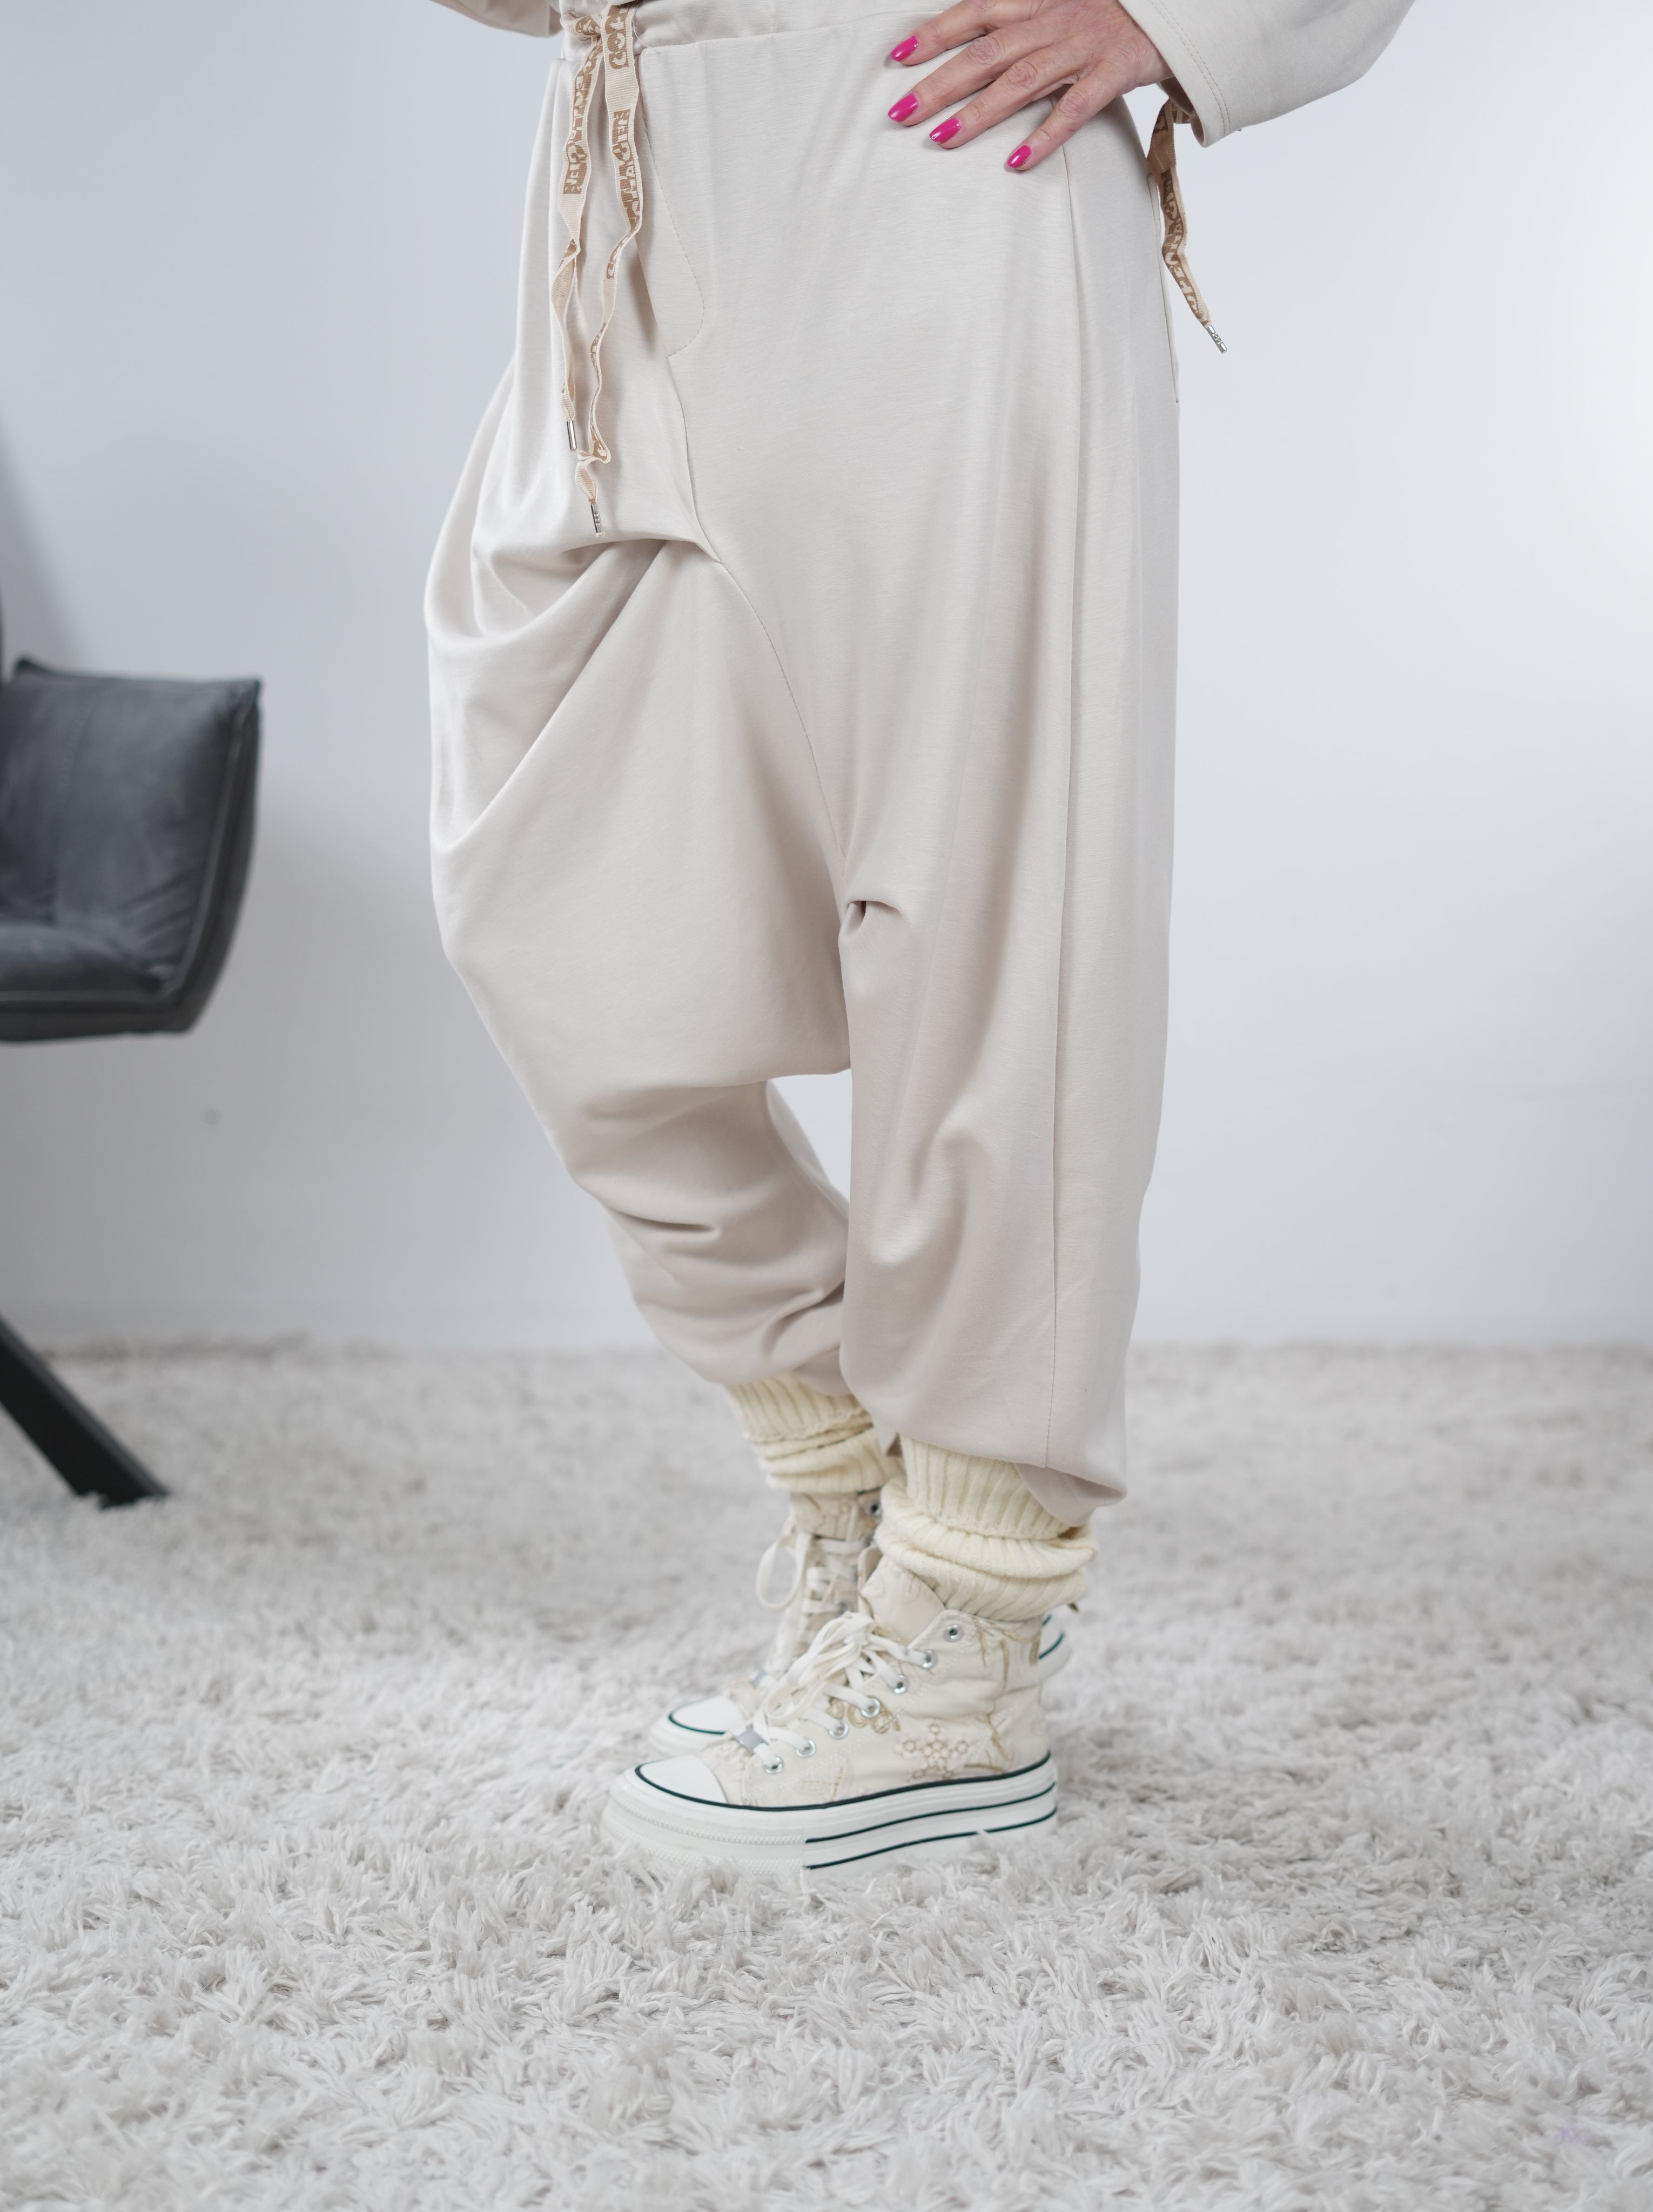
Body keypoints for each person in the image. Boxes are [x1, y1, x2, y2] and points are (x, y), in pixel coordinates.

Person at [426, 0, 1411, 1872]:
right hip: (623, 176)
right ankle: (852, 1478)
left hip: (936, 159)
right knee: (542, 892)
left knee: (992, 905)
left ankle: (964, 1612)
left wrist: (1178, 21)